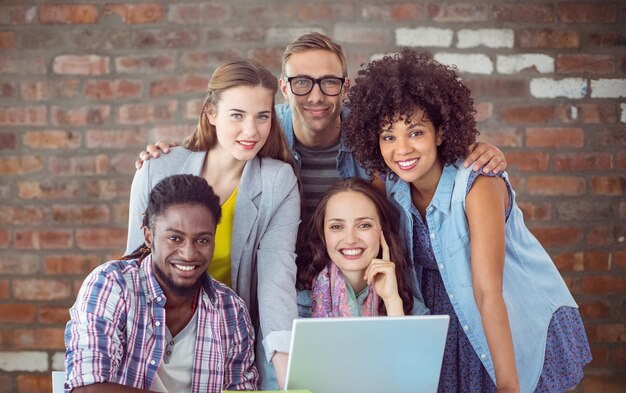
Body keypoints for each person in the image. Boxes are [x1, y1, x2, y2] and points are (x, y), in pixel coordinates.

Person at [135, 33, 507, 318]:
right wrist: (165, 157)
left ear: (344, 88)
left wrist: (469, 151)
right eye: (301, 82)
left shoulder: (367, 139)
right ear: (284, 87)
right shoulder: (262, 128)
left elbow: (413, 145)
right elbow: (223, 137)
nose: (315, 95)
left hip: (358, 286)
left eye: (329, 82)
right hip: (280, 289)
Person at [344, 49, 591, 393]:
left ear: (441, 130)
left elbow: (487, 289)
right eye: (388, 136)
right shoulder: (390, 183)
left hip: (501, 316)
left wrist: (509, 387)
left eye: (415, 132)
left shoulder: (479, 184)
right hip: (439, 322)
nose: (402, 149)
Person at [125, 59, 300, 390]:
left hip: (228, 344)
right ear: (211, 113)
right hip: (160, 336)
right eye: (237, 115)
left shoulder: (277, 181)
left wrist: (290, 383)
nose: (251, 131)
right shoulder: (157, 169)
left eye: (262, 116)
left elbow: (276, 280)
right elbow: (135, 266)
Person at [65, 174, 258, 393]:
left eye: (202, 240)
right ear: (148, 235)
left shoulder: (231, 310)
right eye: (174, 238)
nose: (189, 254)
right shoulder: (111, 285)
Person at [297, 178, 415, 317]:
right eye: (336, 226)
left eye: (364, 225)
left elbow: (407, 339)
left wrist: (392, 301)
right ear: (323, 234)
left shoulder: (410, 305)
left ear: (382, 230)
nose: (350, 239)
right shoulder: (297, 305)